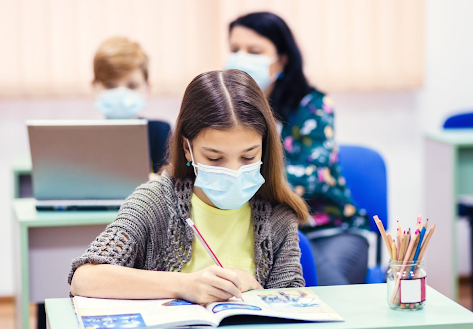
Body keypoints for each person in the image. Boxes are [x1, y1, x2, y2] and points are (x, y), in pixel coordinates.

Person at [68, 70, 309, 304]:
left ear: (265, 147)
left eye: (248, 157)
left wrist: (259, 292)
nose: (233, 171)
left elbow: (291, 302)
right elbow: (85, 278)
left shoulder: (277, 215)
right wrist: (186, 285)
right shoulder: (154, 202)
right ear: (187, 148)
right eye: (214, 158)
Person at [226, 12, 370, 285]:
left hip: (329, 230)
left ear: (282, 58)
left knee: (326, 290)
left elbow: (311, 176)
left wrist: (241, 181)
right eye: (234, 50)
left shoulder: (313, 105)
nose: (241, 57)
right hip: (262, 229)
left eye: (254, 51)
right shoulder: (231, 110)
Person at [92, 37, 171, 173]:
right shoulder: (86, 136)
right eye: (110, 85)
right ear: (95, 87)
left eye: (132, 85)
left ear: (147, 88)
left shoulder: (159, 131)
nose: (121, 93)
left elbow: (171, 184)